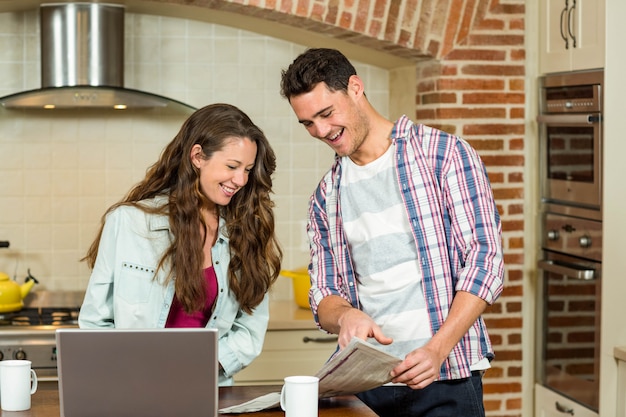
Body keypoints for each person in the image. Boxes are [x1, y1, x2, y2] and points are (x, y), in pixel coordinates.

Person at [280, 48, 504, 416]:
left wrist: (437, 349)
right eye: (307, 123)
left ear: (355, 87)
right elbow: (324, 295)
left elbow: (485, 262)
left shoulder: (443, 155)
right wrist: (346, 315)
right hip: (367, 386)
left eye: (326, 113)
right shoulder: (326, 196)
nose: (320, 131)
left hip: (446, 379)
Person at [78, 103, 283, 386]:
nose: (241, 180)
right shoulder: (129, 222)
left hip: (207, 388)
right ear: (197, 156)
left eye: (247, 169)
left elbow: (250, 329)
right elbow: (95, 324)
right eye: (232, 166)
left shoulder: (245, 231)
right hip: (134, 388)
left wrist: (200, 367)